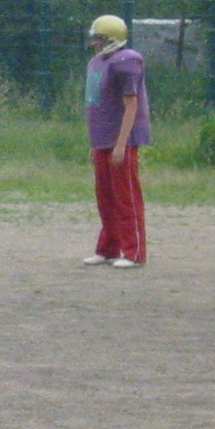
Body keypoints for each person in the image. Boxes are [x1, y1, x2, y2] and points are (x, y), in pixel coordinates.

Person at [83, 14, 150, 268]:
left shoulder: (126, 61)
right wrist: (95, 143)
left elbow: (131, 105)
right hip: (102, 138)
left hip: (122, 139)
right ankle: (109, 247)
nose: (95, 44)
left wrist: (121, 144)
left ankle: (134, 252)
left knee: (125, 196)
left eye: (99, 39)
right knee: (106, 197)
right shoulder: (96, 63)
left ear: (112, 39)